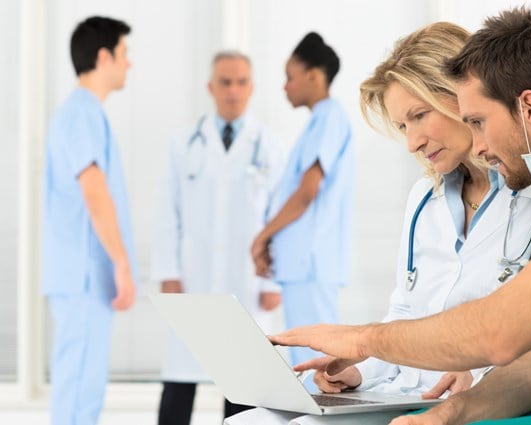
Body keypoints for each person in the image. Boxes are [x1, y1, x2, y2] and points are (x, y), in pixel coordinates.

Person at [270, 7, 531, 425]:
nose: (478, 146)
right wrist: (448, 416)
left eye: (478, 122)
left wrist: (361, 339)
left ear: (529, 108)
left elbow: (502, 335)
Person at [226, 22, 531, 425]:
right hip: (402, 393)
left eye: (419, 116)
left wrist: (485, 376)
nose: (412, 142)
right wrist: (358, 371)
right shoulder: (424, 199)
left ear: (462, 95)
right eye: (403, 126)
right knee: (248, 421)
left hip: (478, 400)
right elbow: (403, 311)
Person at [151, 51, 285, 423]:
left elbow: (279, 220)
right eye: (225, 82)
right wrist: (168, 271)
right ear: (211, 87)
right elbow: (167, 212)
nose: (233, 90)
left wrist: (273, 279)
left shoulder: (270, 147)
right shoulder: (184, 144)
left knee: (242, 384)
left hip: (249, 281)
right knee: (179, 382)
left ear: (252, 88)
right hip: (194, 277)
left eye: (241, 82)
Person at [41, 16, 135, 425]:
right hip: (84, 276)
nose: (129, 64)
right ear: (103, 56)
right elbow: (94, 191)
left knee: (82, 388)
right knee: (78, 394)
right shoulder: (81, 112)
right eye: (124, 54)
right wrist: (122, 263)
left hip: (83, 278)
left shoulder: (84, 113)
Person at [250, 32, 355, 366]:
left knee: (317, 364)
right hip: (302, 265)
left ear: (313, 75)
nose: (285, 86)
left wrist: (263, 235)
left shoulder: (330, 118)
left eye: (289, 77)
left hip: (311, 262)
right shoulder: (318, 122)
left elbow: (307, 192)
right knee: (305, 359)